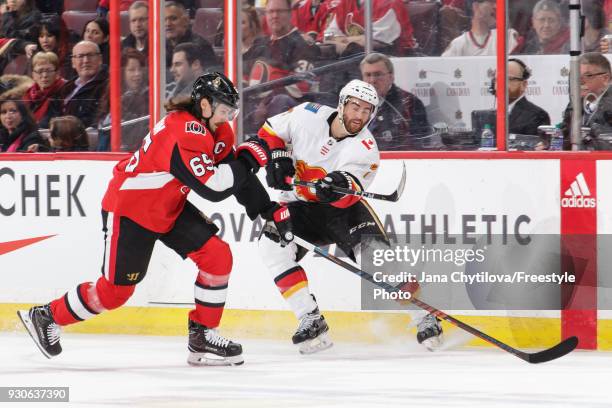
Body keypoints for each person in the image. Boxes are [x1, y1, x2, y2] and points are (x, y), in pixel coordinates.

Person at [18, 72, 293, 366]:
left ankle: (203, 335)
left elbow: (233, 175)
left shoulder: (217, 131)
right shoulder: (181, 132)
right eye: (223, 110)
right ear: (204, 105)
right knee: (115, 293)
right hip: (131, 210)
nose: (227, 118)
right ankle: (46, 315)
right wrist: (251, 159)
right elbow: (214, 187)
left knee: (217, 256)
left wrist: (266, 209)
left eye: (231, 112)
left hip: (169, 206)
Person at [242, 79, 441, 353]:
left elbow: (350, 191)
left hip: (343, 211)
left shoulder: (366, 149)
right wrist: (277, 156)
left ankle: (424, 315)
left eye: (366, 110)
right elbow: (269, 131)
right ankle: (310, 319)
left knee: (378, 263)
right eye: (355, 107)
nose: (359, 115)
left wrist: (335, 184)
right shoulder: (307, 114)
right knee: (271, 247)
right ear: (341, 104)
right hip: (299, 206)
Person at [360, 53, 430, 150]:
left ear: (391, 77)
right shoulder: (354, 105)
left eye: (377, 74)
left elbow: (421, 143)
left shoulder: (409, 103)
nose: (372, 80)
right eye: (368, 75)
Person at [320, 0, 416, 56]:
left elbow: (375, 42)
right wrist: (352, 40)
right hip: (356, 58)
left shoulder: (389, 3)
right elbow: (327, 36)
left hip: (399, 60)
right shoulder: (345, 3)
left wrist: (342, 40)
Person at [562, 52, 612, 150]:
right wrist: (549, 144)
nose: (580, 81)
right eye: (576, 76)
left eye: (588, 76)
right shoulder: (575, 104)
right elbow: (565, 137)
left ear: (606, 78)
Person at [58, 41, 108, 128]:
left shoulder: (107, 86)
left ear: (100, 59)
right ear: (73, 62)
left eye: (90, 55)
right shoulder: (67, 87)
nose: (86, 61)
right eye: (80, 56)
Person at [442, 0, 520, 56]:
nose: (496, 6)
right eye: (491, 2)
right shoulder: (459, 44)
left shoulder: (507, 36)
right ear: (475, 6)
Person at [164, 1, 217, 70]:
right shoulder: (160, 46)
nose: (168, 24)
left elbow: (211, 76)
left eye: (173, 18)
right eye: (164, 20)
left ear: (186, 21)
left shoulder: (201, 46)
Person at [23, 51, 67, 129]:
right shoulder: (26, 94)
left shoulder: (65, 90)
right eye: (40, 71)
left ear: (57, 73)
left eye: (49, 71)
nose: (44, 75)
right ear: (33, 74)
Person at [507, 58, 550, 136]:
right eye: (497, 79)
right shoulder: (486, 116)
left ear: (524, 84)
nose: (502, 83)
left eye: (509, 79)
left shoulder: (537, 115)